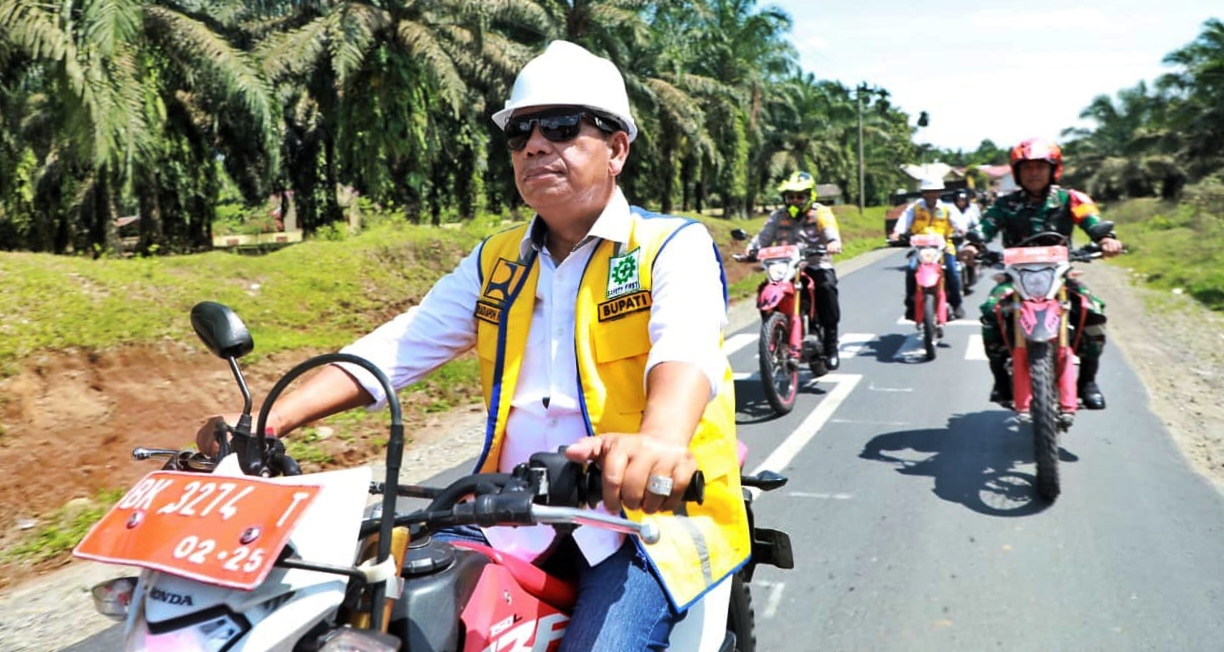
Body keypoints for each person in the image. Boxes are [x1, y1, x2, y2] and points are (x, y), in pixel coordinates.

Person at [196, 40, 749, 651]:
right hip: (509, 511)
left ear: (617, 148)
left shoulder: (671, 246)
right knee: (386, 608)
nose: (536, 143)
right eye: (520, 132)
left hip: (641, 517)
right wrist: (268, 422)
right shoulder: (498, 260)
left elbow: (686, 350)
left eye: (562, 126)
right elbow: (400, 346)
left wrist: (658, 448)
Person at [959, 137, 1123, 409]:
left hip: (1059, 276)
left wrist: (1106, 240)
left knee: (1092, 310)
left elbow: (1093, 221)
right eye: (1027, 168)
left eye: (1040, 167)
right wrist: (972, 245)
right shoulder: (1005, 204)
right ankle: (1000, 380)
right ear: (1017, 172)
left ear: (1053, 169)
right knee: (991, 312)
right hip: (1015, 277)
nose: (1034, 173)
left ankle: (1087, 381)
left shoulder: (1071, 199)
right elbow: (986, 226)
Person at [746, 171, 844, 369]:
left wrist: (832, 242)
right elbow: (763, 237)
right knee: (765, 290)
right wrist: (750, 249)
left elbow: (830, 231)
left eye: (800, 196)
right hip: (783, 267)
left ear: (810, 196)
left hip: (814, 263)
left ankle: (831, 345)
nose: (795, 201)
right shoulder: (778, 216)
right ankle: (775, 335)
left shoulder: (821, 212)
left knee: (826, 288)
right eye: (790, 196)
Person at [888, 177, 966, 320]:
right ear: (923, 193)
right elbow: (904, 220)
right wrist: (897, 233)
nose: (931, 195)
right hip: (921, 248)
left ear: (939, 193)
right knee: (911, 270)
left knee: (952, 270)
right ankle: (910, 304)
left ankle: (956, 304)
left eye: (935, 192)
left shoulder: (948, 208)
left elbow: (959, 223)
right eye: (928, 192)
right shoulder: (915, 208)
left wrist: (962, 230)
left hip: (943, 247)